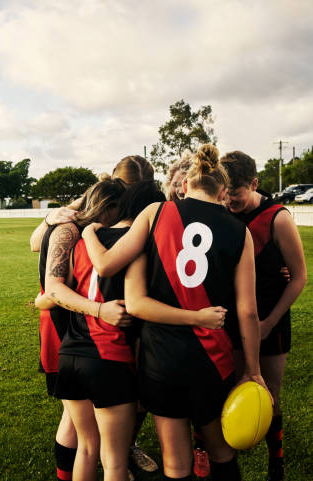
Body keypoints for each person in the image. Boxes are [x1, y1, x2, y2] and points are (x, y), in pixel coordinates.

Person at [82, 144, 268, 480]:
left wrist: (86, 230)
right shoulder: (240, 231)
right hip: (213, 358)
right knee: (221, 451)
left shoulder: (156, 212)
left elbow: (108, 267)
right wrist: (253, 370)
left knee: (176, 463)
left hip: (161, 358)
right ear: (224, 191)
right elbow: (248, 311)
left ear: (184, 186)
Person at [38, 181, 162, 481]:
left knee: (86, 448)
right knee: (115, 462)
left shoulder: (81, 241)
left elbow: (49, 295)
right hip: (109, 357)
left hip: (69, 353)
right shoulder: (137, 245)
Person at [220, 151, 306, 481]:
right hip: (229, 319)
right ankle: (216, 453)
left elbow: (299, 277)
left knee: (270, 393)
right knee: (224, 387)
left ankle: (276, 462)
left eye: (236, 192)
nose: (229, 200)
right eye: (224, 192)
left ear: (254, 184)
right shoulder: (220, 212)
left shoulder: (278, 218)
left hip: (269, 321)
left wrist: (269, 323)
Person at [35, 179, 126, 481]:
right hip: (86, 341)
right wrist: (101, 310)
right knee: (100, 450)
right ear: (109, 208)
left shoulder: (76, 230)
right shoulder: (75, 233)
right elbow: (52, 291)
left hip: (72, 342)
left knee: (82, 436)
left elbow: (38, 250)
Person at [29, 155, 154, 253]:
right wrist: (48, 220)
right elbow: (35, 244)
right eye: (128, 192)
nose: (134, 200)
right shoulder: (91, 204)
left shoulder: (152, 207)